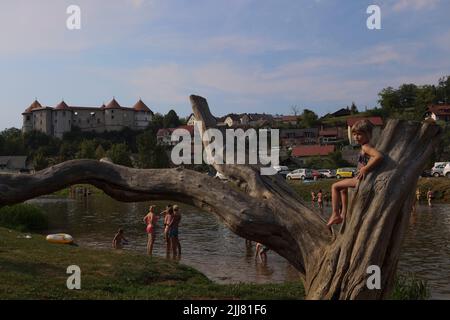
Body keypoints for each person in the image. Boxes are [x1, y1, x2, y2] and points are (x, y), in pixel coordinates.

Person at [327, 120, 383, 227]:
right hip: (359, 178)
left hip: (361, 180)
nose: (356, 137)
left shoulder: (366, 147)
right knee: (343, 189)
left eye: (359, 134)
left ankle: (335, 214)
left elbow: (379, 156)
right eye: (354, 134)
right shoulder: (366, 146)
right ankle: (343, 213)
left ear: (368, 134)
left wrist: (365, 169)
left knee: (334, 186)